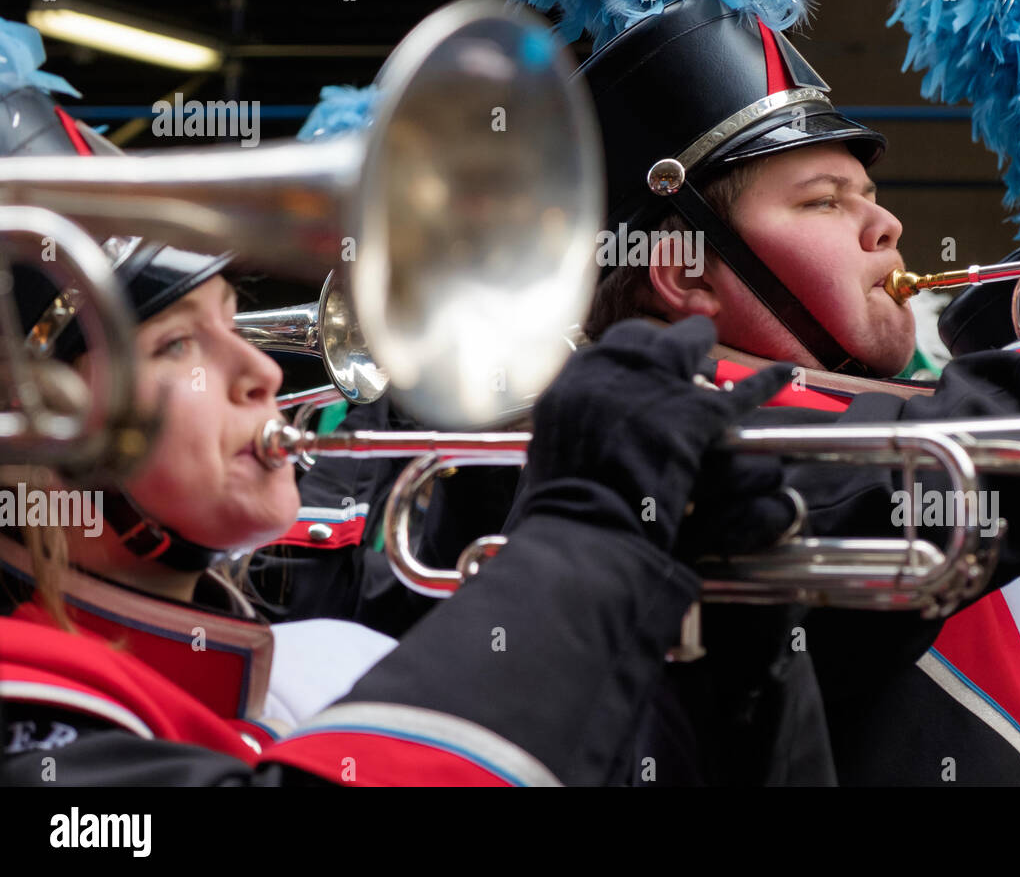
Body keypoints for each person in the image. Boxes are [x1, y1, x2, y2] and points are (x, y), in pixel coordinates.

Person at [546, 0, 1020, 786]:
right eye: (825, 201)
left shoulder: (883, 426)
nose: (886, 225)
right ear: (687, 270)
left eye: (871, 195)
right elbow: (969, 476)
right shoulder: (663, 447)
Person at [0, 120, 796, 785]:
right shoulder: (30, 714)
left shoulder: (277, 679)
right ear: (33, 432)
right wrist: (587, 533)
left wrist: (714, 638)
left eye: (231, 319)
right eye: (176, 344)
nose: (263, 370)